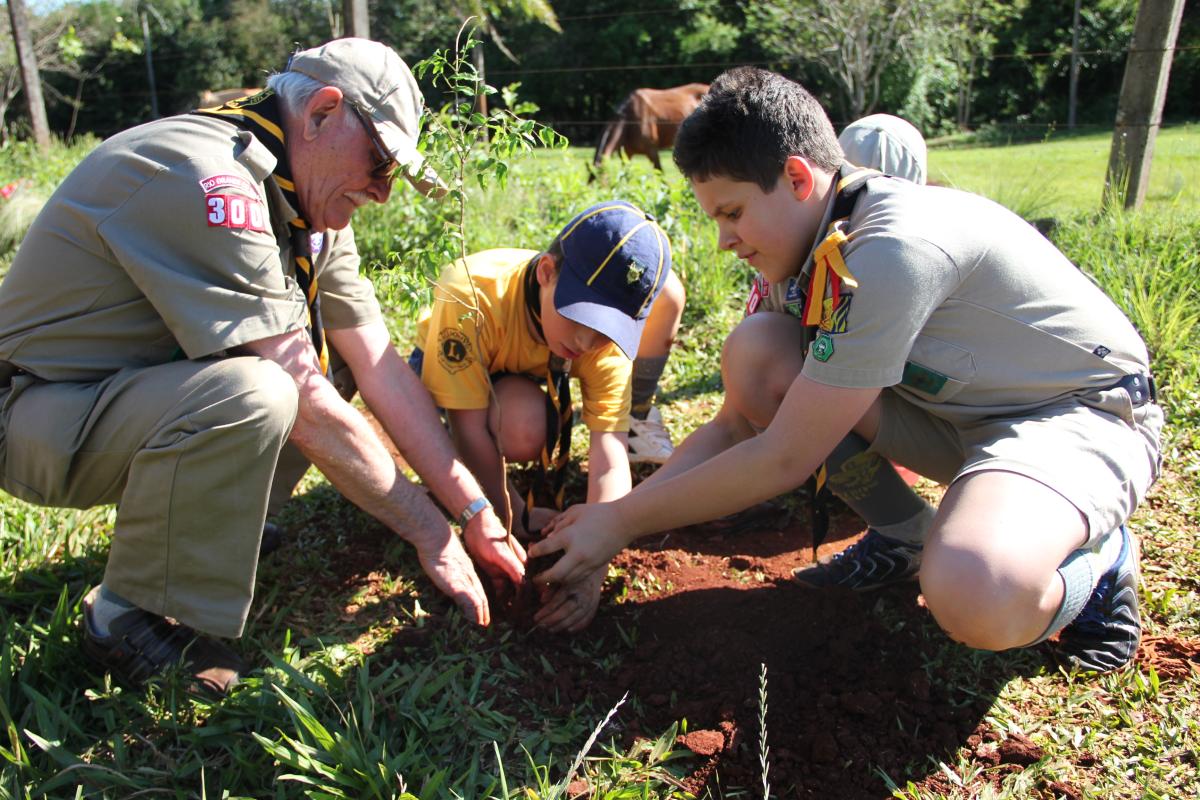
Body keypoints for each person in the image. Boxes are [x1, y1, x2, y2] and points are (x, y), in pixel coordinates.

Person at [530, 66, 1162, 676]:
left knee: (976, 591)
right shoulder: (814, 247)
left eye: (731, 212)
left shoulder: (894, 246)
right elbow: (733, 428)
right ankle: (905, 535)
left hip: (1080, 414)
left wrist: (619, 522)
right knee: (761, 354)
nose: (723, 238)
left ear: (799, 178)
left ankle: (1100, 564)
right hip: (960, 417)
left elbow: (784, 457)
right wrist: (620, 517)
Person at [0, 38, 526, 695]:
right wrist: (430, 533)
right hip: (37, 413)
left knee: (322, 369)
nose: (385, 191)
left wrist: (472, 509)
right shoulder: (209, 174)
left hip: (121, 397)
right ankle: (122, 616)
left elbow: (378, 365)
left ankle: (218, 533)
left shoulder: (307, 202)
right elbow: (302, 402)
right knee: (266, 390)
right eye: (380, 161)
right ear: (323, 113)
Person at [410, 200, 672, 631]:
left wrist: (595, 559)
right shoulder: (472, 292)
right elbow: (469, 425)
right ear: (546, 274)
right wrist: (508, 514)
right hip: (448, 367)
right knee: (508, 429)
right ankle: (457, 473)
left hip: (523, 387)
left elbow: (611, 448)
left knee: (524, 422)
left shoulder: (601, 344)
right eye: (582, 318)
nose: (588, 341)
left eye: (608, 331)